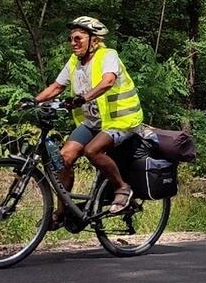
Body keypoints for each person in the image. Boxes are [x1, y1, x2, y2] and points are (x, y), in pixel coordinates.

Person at [33, 16, 143, 225]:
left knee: (92, 151)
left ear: (94, 40)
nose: (73, 43)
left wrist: (83, 98)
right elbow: (57, 87)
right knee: (64, 158)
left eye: (78, 39)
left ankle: (122, 187)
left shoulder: (108, 55)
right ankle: (62, 212)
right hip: (93, 123)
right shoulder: (74, 62)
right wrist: (33, 101)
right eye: (71, 39)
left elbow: (107, 81)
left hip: (121, 121)